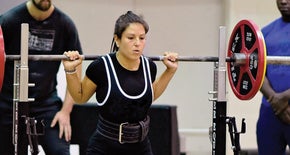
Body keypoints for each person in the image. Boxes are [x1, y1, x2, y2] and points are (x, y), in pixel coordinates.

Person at [62, 11, 178, 155]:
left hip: (141, 147)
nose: (137, 43)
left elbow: (150, 94)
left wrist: (169, 72)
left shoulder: (149, 66)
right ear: (117, 40)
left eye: (142, 38)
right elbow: (80, 97)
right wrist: (70, 71)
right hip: (104, 148)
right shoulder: (101, 67)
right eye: (131, 38)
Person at [0, 0, 82, 155]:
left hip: (46, 105)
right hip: (9, 104)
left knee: (60, 151)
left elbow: (76, 66)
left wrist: (66, 111)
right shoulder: (8, 21)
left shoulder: (65, 24)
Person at [257, 0, 290, 154]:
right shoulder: (265, 33)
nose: (283, 1)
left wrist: (284, 98)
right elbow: (256, 71)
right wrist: (275, 99)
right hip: (270, 111)